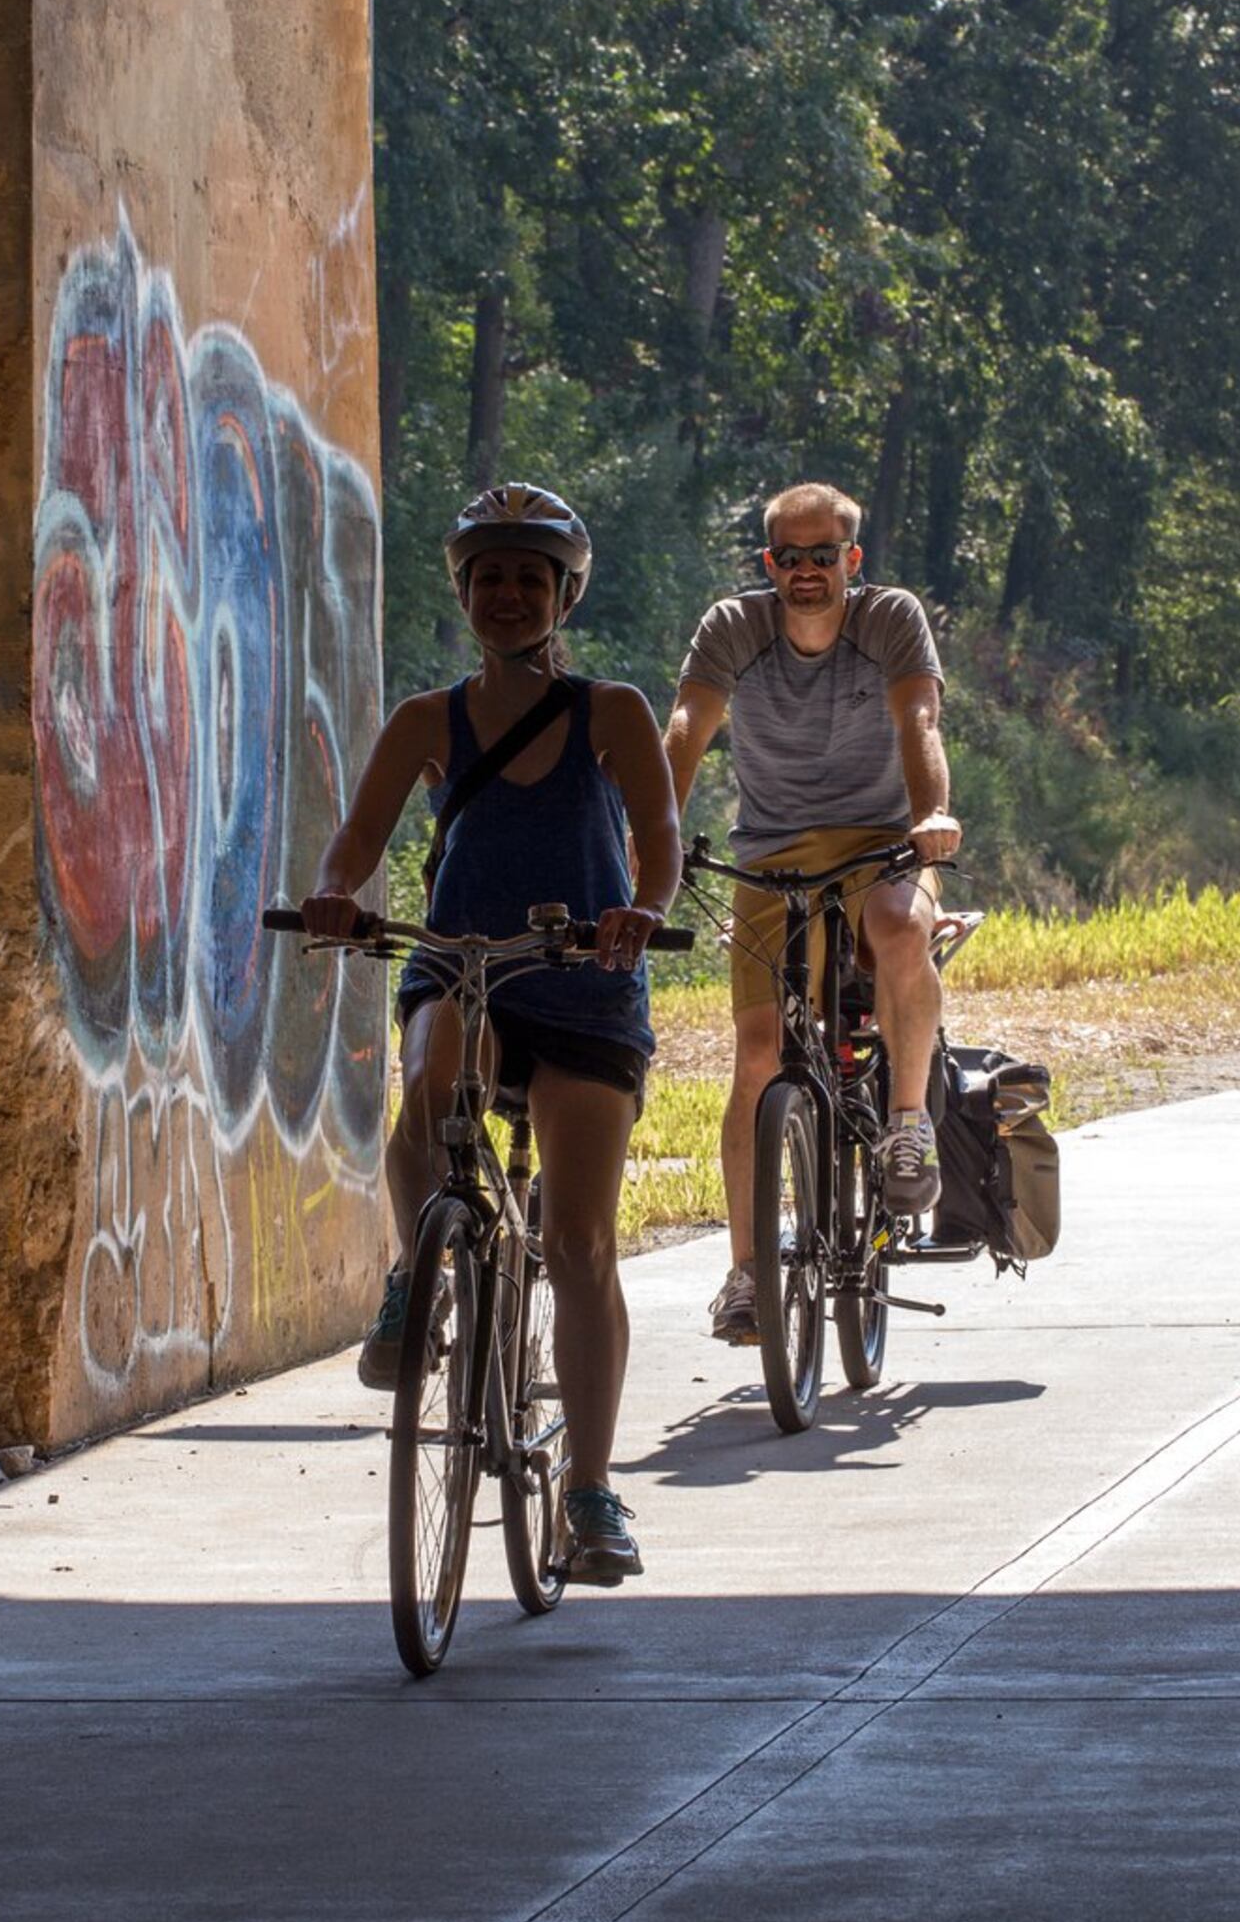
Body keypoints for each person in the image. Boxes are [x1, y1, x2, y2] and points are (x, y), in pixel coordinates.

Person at [296, 485, 680, 1587]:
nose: (508, 596)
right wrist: (336, 894)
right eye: (489, 578)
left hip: (585, 985)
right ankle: (417, 1273)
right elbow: (358, 838)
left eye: (529, 579)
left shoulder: (612, 712)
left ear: (563, 595)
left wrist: (643, 911)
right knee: (430, 1081)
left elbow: (658, 834)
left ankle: (591, 1491)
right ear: (464, 593)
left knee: (583, 1241)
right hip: (463, 960)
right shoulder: (428, 720)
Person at [662, 481, 961, 1346]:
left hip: (882, 842)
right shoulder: (732, 627)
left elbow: (919, 717)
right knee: (758, 1055)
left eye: (821, 555)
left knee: (901, 928)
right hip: (771, 853)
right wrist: (651, 833)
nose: (804, 570)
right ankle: (746, 1274)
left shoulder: (891, 618)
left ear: (850, 560)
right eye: (788, 556)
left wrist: (931, 814)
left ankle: (907, 1126)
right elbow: (687, 724)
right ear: (769, 563)